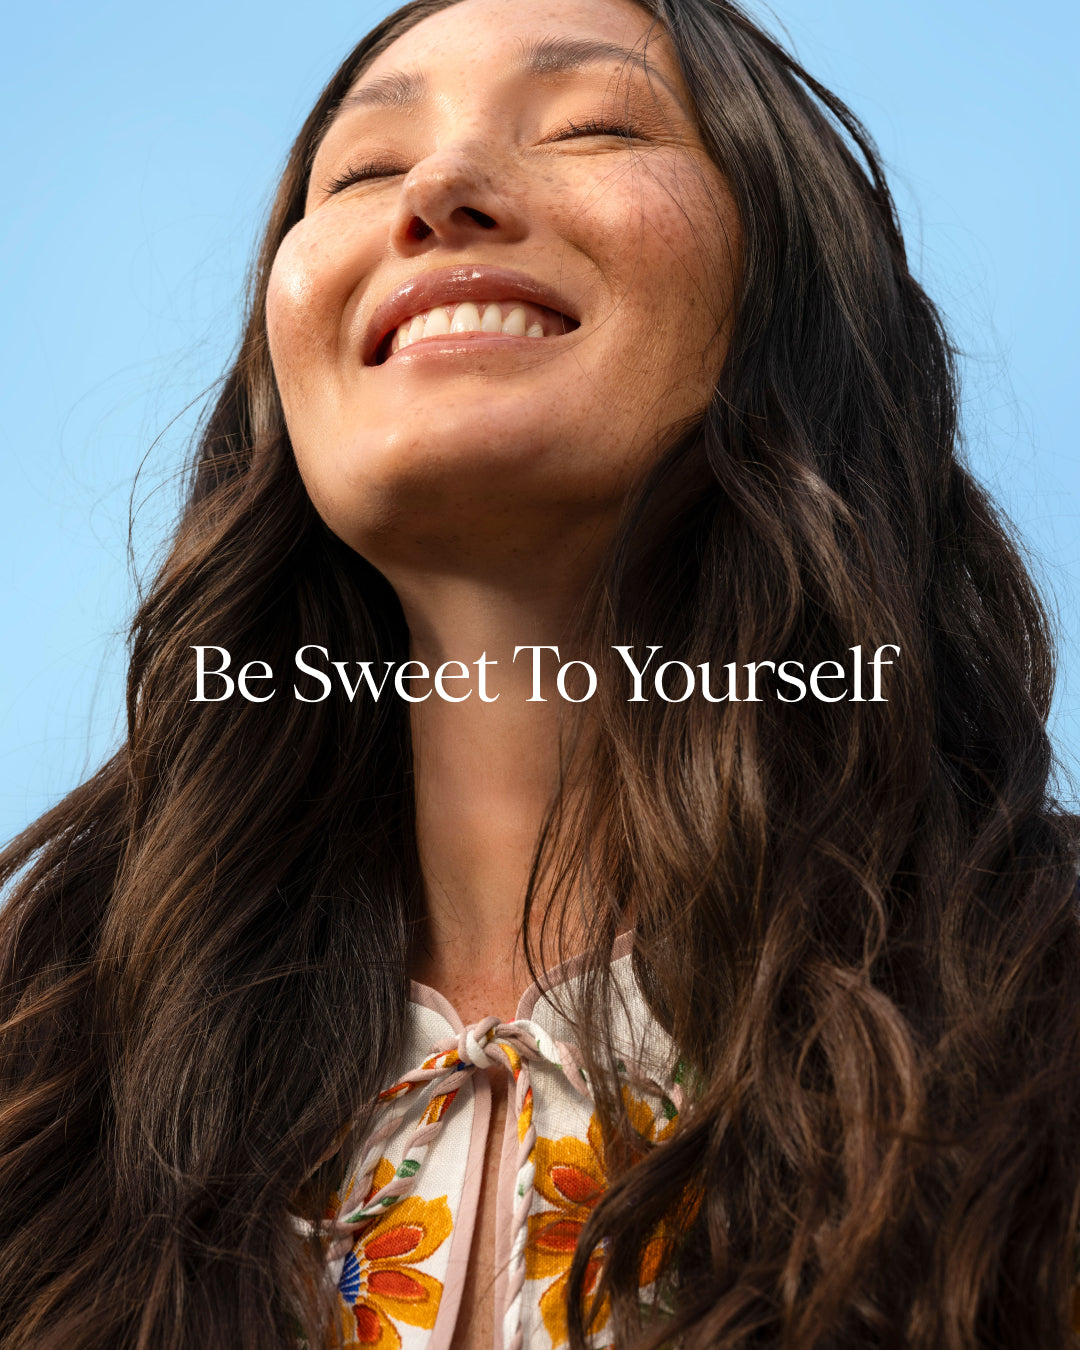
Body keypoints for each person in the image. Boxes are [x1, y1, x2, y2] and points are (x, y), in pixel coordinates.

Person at [1, 0, 1078, 1346]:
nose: (442, 188)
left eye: (592, 128)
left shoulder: (1045, 1033)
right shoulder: (39, 1080)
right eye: (365, 168)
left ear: (796, 292)